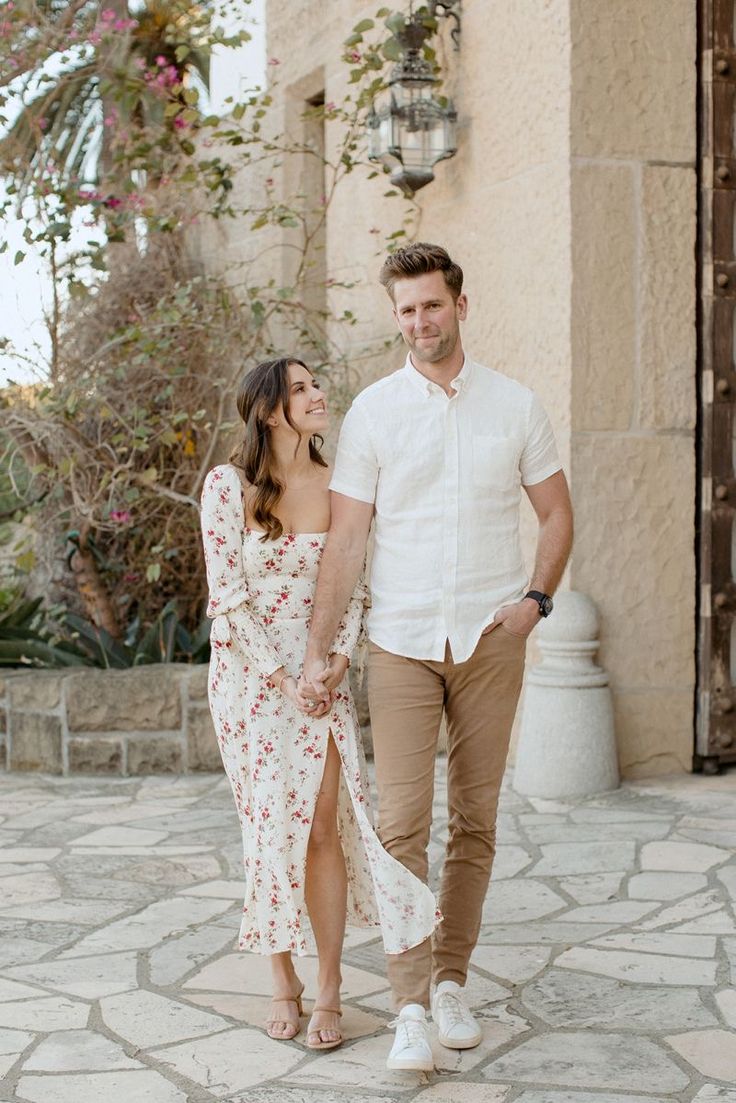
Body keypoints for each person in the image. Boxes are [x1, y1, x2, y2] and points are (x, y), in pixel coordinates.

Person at [300, 243, 574, 1071]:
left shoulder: (515, 405)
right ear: (397, 317)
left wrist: (535, 602)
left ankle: (452, 979)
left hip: (492, 639)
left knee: (478, 821)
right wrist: (322, 647)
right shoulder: (376, 415)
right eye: (407, 309)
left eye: (432, 305)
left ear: (460, 304)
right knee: (399, 825)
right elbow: (347, 539)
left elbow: (558, 514)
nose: (420, 322)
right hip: (403, 641)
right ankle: (410, 1003)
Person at [199, 356, 439, 1052]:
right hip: (250, 683)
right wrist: (281, 677)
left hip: (321, 683)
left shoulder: (341, 485)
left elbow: (358, 584)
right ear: (270, 410)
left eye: (315, 384)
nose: (317, 394)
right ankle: (283, 985)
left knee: (324, 828)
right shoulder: (229, 486)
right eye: (301, 388)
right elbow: (230, 598)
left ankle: (330, 987)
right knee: (266, 827)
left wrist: (338, 658)